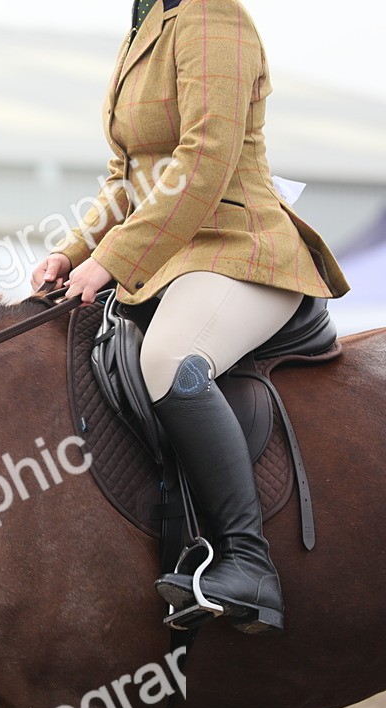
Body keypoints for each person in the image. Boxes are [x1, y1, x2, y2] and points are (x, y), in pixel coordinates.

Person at [32, 0, 350, 635]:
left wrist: (113, 260)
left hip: (241, 248)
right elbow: (127, 178)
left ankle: (248, 563)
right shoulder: (147, 23)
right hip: (172, 257)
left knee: (171, 360)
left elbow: (204, 158)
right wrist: (74, 252)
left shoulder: (212, 16)